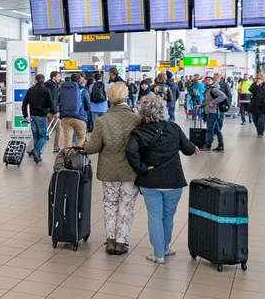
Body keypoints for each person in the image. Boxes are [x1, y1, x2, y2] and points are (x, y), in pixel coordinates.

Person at [126, 95, 199, 264]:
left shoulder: (139, 132)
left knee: (155, 216)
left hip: (150, 182)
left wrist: (142, 168)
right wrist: (194, 148)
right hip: (173, 181)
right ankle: (165, 248)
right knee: (168, 216)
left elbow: (131, 151)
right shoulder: (173, 128)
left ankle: (158, 253)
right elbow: (188, 150)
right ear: (164, 110)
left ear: (143, 112)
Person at [83, 82, 141, 255]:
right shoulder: (137, 119)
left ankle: (110, 241)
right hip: (131, 170)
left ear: (109, 99)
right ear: (125, 97)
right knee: (127, 206)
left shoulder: (102, 121)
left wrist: (83, 145)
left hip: (109, 170)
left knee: (110, 204)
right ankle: (122, 242)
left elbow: (92, 147)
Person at [21, 74, 57, 164]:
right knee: (43, 136)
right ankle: (36, 151)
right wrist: (55, 112)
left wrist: (25, 115)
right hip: (42, 116)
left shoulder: (30, 90)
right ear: (43, 81)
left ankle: (39, 156)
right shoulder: (46, 90)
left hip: (32, 116)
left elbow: (24, 104)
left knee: (36, 136)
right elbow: (51, 104)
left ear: (36, 81)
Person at [195, 76, 226, 152]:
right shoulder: (208, 90)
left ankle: (208, 146)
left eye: (209, 80)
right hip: (209, 111)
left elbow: (223, 96)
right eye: (206, 80)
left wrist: (213, 102)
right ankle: (221, 146)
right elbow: (207, 102)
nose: (207, 81)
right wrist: (201, 105)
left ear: (213, 81)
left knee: (210, 129)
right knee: (216, 130)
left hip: (213, 112)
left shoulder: (214, 89)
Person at [60, 73, 91, 148]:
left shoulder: (63, 89)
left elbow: (59, 102)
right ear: (80, 80)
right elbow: (88, 105)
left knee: (67, 139)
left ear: (70, 79)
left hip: (65, 117)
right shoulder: (83, 90)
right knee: (81, 138)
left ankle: (67, 157)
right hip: (79, 117)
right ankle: (77, 155)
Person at [249, 72, 265, 138]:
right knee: (254, 119)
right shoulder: (254, 85)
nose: (258, 79)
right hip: (255, 104)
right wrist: (256, 84)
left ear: (263, 78)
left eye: (260, 78)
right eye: (257, 78)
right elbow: (251, 90)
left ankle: (260, 132)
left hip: (264, 105)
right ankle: (259, 129)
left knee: (261, 120)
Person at [45, 71, 62, 154]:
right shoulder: (54, 87)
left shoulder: (45, 85)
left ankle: (37, 147)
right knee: (59, 129)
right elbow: (53, 100)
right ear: (54, 77)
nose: (59, 78)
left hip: (45, 111)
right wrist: (55, 111)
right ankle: (56, 147)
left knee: (46, 130)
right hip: (52, 112)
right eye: (58, 76)